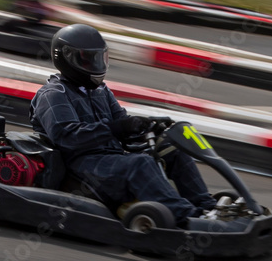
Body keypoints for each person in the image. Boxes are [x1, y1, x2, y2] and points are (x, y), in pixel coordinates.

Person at [29, 24, 218, 227]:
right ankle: (188, 218)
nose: (96, 64)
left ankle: (207, 207)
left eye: (99, 58)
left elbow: (123, 126)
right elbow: (67, 137)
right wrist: (116, 128)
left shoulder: (100, 91)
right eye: (88, 58)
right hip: (81, 167)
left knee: (172, 150)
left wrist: (147, 127)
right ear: (66, 57)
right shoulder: (53, 94)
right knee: (140, 164)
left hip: (110, 158)